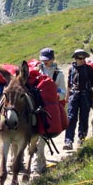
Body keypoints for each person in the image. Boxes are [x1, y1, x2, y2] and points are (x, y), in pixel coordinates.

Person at [30, 47, 66, 175]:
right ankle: (41, 162)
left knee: (41, 139)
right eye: (43, 60)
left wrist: (53, 94)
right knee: (35, 138)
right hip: (36, 108)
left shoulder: (58, 74)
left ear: (52, 59)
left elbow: (63, 92)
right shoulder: (35, 71)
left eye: (47, 60)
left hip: (49, 109)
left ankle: (35, 167)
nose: (45, 62)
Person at [64, 49, 93, 150]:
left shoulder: (89, 69)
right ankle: (68, 141)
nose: (82, 60)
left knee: (83, 117)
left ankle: (81, 138)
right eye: (80, 58)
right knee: (71, 117)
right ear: (75, 58)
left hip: (85, 95)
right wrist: (67, 96)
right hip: (73, 96)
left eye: (84, 58)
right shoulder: (71, 69)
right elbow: (69, 84)